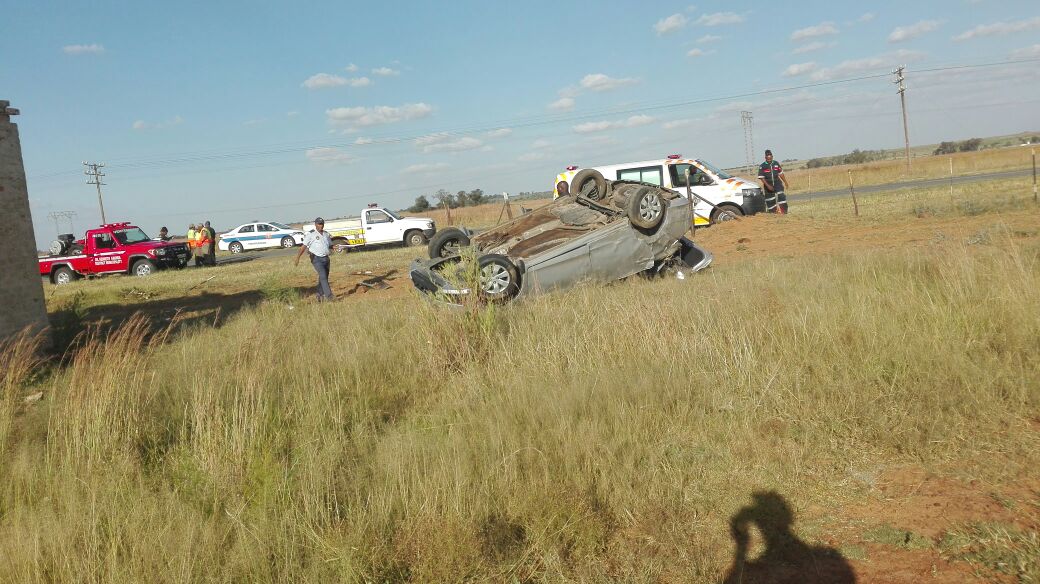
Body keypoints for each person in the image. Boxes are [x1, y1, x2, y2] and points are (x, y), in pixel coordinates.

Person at [295, 217, 334, 301]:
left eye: (322, 224)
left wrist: (334, 246)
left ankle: (319, 295)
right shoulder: (311, 234)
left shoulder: (326, 234)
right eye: (319, 224)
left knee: (324, 278)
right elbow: (303, 247)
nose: (321, 226)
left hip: (326, 259)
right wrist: (298, 258)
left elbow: (330, 245)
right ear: (315, 224)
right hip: (316, 259)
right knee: (323, 276)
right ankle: (329, 296)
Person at [758, 149, 790, 214]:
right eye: (768, 159)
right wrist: (768, 186)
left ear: (772, 157)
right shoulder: (762, 166)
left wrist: (785, 182)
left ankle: (784, 212)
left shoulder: (776, 163)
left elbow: (780, 173)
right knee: (770, 200)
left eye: (770, 158)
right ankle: (773, 213)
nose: (769, 160)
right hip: (768, 184)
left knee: (781, 196)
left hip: (777, 182)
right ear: (765, 158)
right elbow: (761, 177)